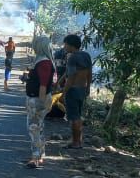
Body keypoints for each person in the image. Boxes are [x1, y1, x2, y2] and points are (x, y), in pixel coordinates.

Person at [23, 35, 57, 168]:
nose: (33, 46)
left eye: (35, 44)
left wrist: (40, 104)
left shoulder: (43, 62)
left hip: (38, 99)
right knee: (39, 127)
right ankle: (40, 155)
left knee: (33, 127)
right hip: (37, 97)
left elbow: (43, 84)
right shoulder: (44, 61)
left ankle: (35, 157)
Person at [60, 34, 92, 148]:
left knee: (74, 117)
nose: (64, 47)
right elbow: (89, 72)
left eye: (66, 44)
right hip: (82, 89)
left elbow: (71, 77)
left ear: (71, 45)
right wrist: (88, 87)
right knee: (78, 115)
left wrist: (64, 93)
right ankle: (78, 140)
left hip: (73, 90)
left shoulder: (72, 58)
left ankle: (76, 142)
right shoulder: (86, 55)